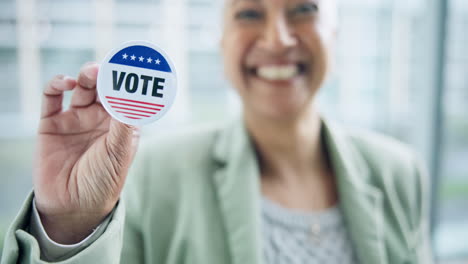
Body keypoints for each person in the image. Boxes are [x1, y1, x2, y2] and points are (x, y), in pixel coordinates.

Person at [1, 0, 433, 263]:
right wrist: (70, 226)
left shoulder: (398, 172)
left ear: (334, 34)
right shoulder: (151, 176)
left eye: (304, 8)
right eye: (248, 12)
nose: (279, 38)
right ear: (221, 41)